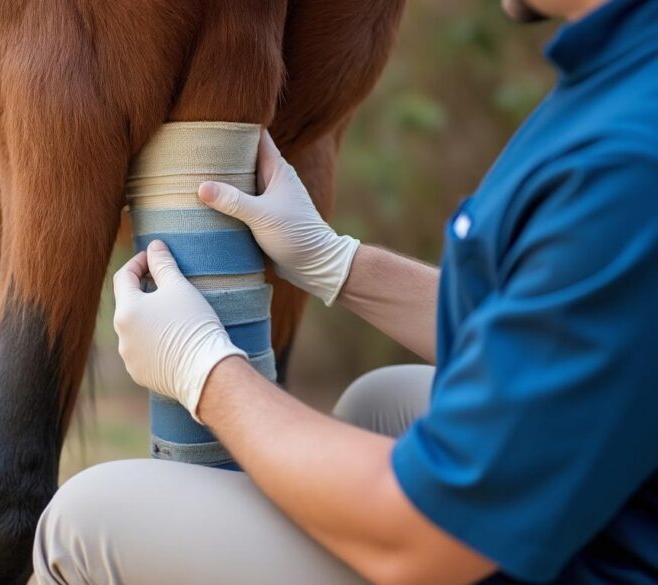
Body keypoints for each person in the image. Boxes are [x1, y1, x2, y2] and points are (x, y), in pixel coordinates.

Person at [33, 0, 658, 582]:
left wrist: (205, 373)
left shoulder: (626, 162)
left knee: (81, 521)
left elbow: (426, 534)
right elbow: (566, 327)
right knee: (381, 403)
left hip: (549, 554)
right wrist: (336, 263)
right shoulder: (626, 74)